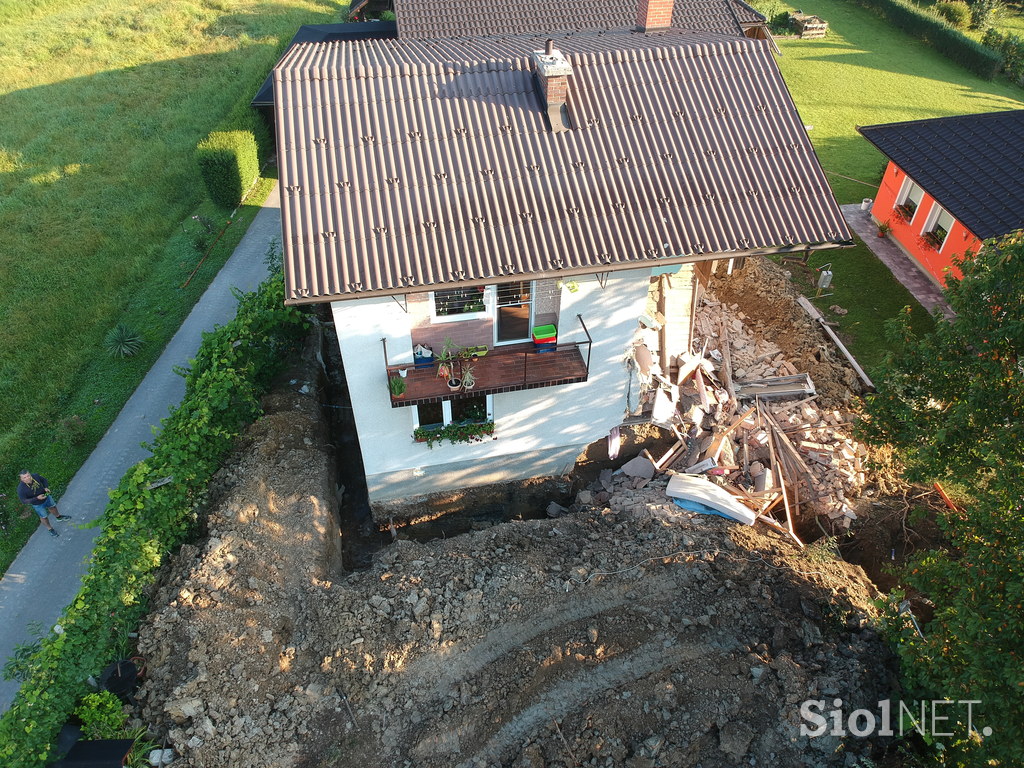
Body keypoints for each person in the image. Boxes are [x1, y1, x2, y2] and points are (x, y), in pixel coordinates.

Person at [17, 470, 71, 538]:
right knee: (44, 517)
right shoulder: (21, 489)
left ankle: (58, 517)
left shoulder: (35, 476)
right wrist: (37, 498)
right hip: (37, 504)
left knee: (53, 507)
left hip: (46, 497)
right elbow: (24, 501)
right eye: (24, 477)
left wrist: (46, 487)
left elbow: (44, 480)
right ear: (21, 479)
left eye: (28, 476)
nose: (27, 478)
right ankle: (50, 529)